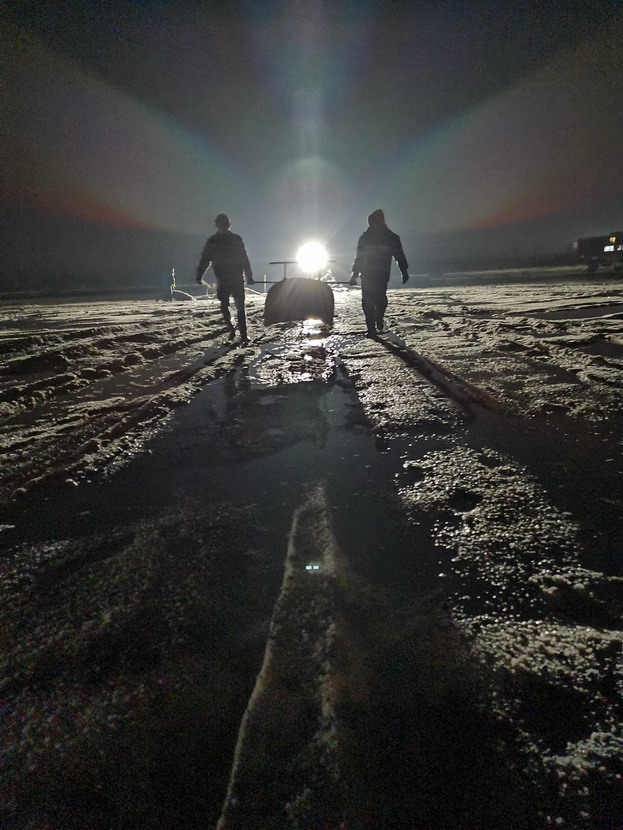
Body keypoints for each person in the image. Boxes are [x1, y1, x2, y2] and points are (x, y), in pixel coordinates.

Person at [349, 209, 409, 336]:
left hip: (382, 275)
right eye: (371, 223)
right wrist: (354, 275)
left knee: (381, 300)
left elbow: (399, 256)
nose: (373, 225)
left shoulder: (392, 238)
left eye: (374, 222)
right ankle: (371, 329)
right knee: (367, 302)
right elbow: (359, 258)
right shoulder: (365, 238)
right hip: (367, 275)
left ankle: (379, 317)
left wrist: (404, 271)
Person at [196, 214, 255, 342]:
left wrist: (249, 276)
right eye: (221, 224)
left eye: (224, 224)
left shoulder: (234, 239)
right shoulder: (213, 241)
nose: (223, 226)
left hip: (234, 278)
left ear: (228, 225)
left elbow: (244, 259)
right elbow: (205, 259)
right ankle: (232, 329)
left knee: (239, 307)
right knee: (225, 307)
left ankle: (243, 334)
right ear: (217, 225)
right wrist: (199, 274)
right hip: (224, 279)